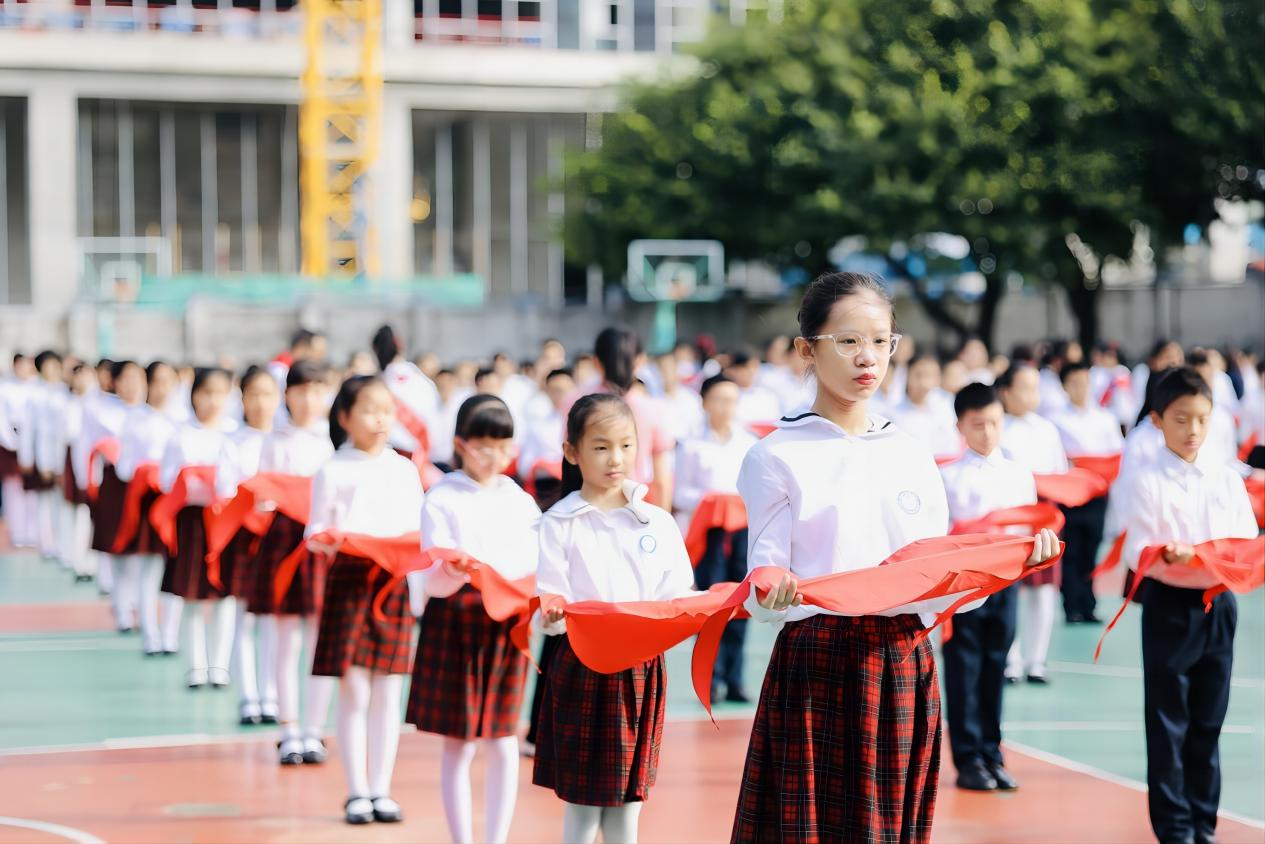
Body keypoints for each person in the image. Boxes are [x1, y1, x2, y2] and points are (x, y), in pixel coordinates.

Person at [729, 272, 1060, 842]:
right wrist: (769, 590)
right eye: (849, 341)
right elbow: (765, 571)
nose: (868, 358)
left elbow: (933, 578)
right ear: (807, 349)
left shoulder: (910, 454)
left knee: (894, 828)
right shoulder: (775, 455)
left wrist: (1008, 567)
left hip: (903, 657)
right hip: (818, 659)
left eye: (882, 341)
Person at [533, 393, 695, 844]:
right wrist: (553, 613)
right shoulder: (559, 522)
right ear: (572, 452)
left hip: (642, 668)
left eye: (626, 445)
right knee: (582, 809)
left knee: (629, 805)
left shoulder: (655, 522)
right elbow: (551, 600)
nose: (615, 458)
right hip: (582, 666)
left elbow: (676, 593)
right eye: (601, 447)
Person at [1119, 367, 1257, 844]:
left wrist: (1207, 555)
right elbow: (1139, 547)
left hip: (1217, 604)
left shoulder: (1224, 476)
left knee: (1208, 721)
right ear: (1157, 420)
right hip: (1169, 605)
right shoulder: (1145, 479)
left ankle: (1204, 824)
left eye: (1202, 418)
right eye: (1181, 419)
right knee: (1167, 723)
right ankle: (1175, 830)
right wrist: (1171, 554)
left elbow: (1243, 540)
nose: (1193, 430)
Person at [406, 395, 540, 844]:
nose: (494, 456)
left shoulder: (521, 502)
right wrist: (450, 569)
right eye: (483, 445)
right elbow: (431, 580)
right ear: (460, 444)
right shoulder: (442, 497)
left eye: (503, 446)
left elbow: (535, 565)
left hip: (508, 625)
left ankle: (496, 838)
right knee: (459, 741)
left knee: (503, 738)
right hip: (457, 620)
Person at [307, 375, 423, 825]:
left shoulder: (404, 468)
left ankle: (382, 788)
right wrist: (330, 537)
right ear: (345, 417)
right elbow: (313, 532)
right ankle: (356, 790)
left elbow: (418, 532)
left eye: (387, 409)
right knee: (354, 690)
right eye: (369, 410)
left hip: (392, 582)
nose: (380, 419)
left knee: (388, 691)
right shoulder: (332, 468)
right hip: (351, 579)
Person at [939, 382, 1038, 792]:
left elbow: (1028, 525)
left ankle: (992, 752)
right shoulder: (946, 476)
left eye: (995, 423)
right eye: (978, 425)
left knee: (996, 666)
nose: (987, 433)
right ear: (961, 426)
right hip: (964, 587)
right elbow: (941, 534)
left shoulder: (1018, 473)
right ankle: (968, 759)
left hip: (1005, 582)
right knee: (964, 669)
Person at [252, 360, 335, 764]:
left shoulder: (333, 441)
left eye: (317, 390)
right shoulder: (275, 440)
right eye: (301, 390)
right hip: (284, 540)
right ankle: (288, 728)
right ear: (287, 396)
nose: (308, 399)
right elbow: (263, 494)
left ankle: (314, 730)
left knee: (322, 639)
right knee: (286, 639)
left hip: (323, 545)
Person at [672, 374, 758, 702]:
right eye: (718, 400)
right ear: (705, 403)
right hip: (709, 532)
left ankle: (735, 678)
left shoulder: (748, 442)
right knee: (710, 605)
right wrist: (715, 500)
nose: (725, 408)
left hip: (742, 531)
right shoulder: (692, 445)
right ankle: (711, 677)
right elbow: (681, 493)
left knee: (742, 602)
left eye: (731, 400)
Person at [158, 367, 239, 688]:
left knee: (226, 596)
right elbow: (166, 481)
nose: (213, 400)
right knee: (191, 596)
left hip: (226, 522)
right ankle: (196, 666)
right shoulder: (180, 436)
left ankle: (220, 666)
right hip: (192, 521)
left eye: (220, 393)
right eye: (206, 393)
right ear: (193, 396)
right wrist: (189, 481)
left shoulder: (234, 433)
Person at [997, 362, 1069, 684]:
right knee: (1010, 587)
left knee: (1044, 590)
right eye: (1024, 388)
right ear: (1006, 392)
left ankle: (1036, 660)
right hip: (1010, 515)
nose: (1032, 395)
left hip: (1043, 515)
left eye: (1036, 388)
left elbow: (1060, 473)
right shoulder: (999, 428)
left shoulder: (1047, 429)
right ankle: (1010, 661)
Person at [217, 367, 280, 725]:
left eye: (268, 394)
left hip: (276, 539)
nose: (261, 402)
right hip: (243, 537)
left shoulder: (285, 440)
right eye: (253, 394)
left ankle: (270, 696)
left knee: (273, 620)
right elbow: (227, 489)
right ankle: (248, 697)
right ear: (242, 398)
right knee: (244, 618)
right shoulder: (233, 441)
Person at [114, 361, 181, 655]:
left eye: (170, 380)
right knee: (148, 570)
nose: (164, 387)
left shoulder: (182, 420)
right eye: (159, 380)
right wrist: (148, 473)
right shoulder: (135, 420)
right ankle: (150, 635)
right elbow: (124, 466)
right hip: (146, 500)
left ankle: (171, 634)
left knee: (175, 570)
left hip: (176, 502)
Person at [1051, 361, 1123, 623]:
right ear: (1065, 387)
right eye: (1074, 383)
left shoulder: (1105, 418)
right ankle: (1071, 606)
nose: (1081, 388)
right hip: (1070, 495)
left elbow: (1115, 454)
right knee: (1070, 551)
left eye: (1084, 382)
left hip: (1097, 495)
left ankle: (1088, 604)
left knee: (1091, 549)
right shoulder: (1056, 420)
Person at [372, 325, 440, 461]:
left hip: (386, 451)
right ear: (400, 346)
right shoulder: (423, 380)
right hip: (421, 450)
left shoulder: (377, 382)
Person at [889, 353, 962, 462]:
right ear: (907, 375)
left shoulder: (948, 403)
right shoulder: (894, 414)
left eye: (931, 375)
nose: (925, 383)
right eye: (919, 375)